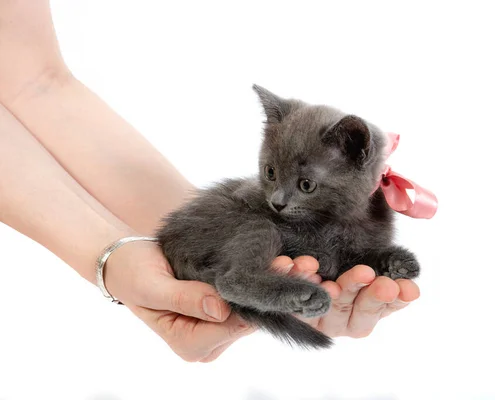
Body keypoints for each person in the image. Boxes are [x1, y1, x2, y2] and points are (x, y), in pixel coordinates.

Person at [0, 0, 420, 362]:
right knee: (260, 226)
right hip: (236, 248)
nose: (277, 196)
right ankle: (242, 282)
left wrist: (145, 246)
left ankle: (244, 278)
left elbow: (32, 81)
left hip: (219, 234)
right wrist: (110, 257)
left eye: (304, 184)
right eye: (270, 174)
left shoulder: (354, 200)